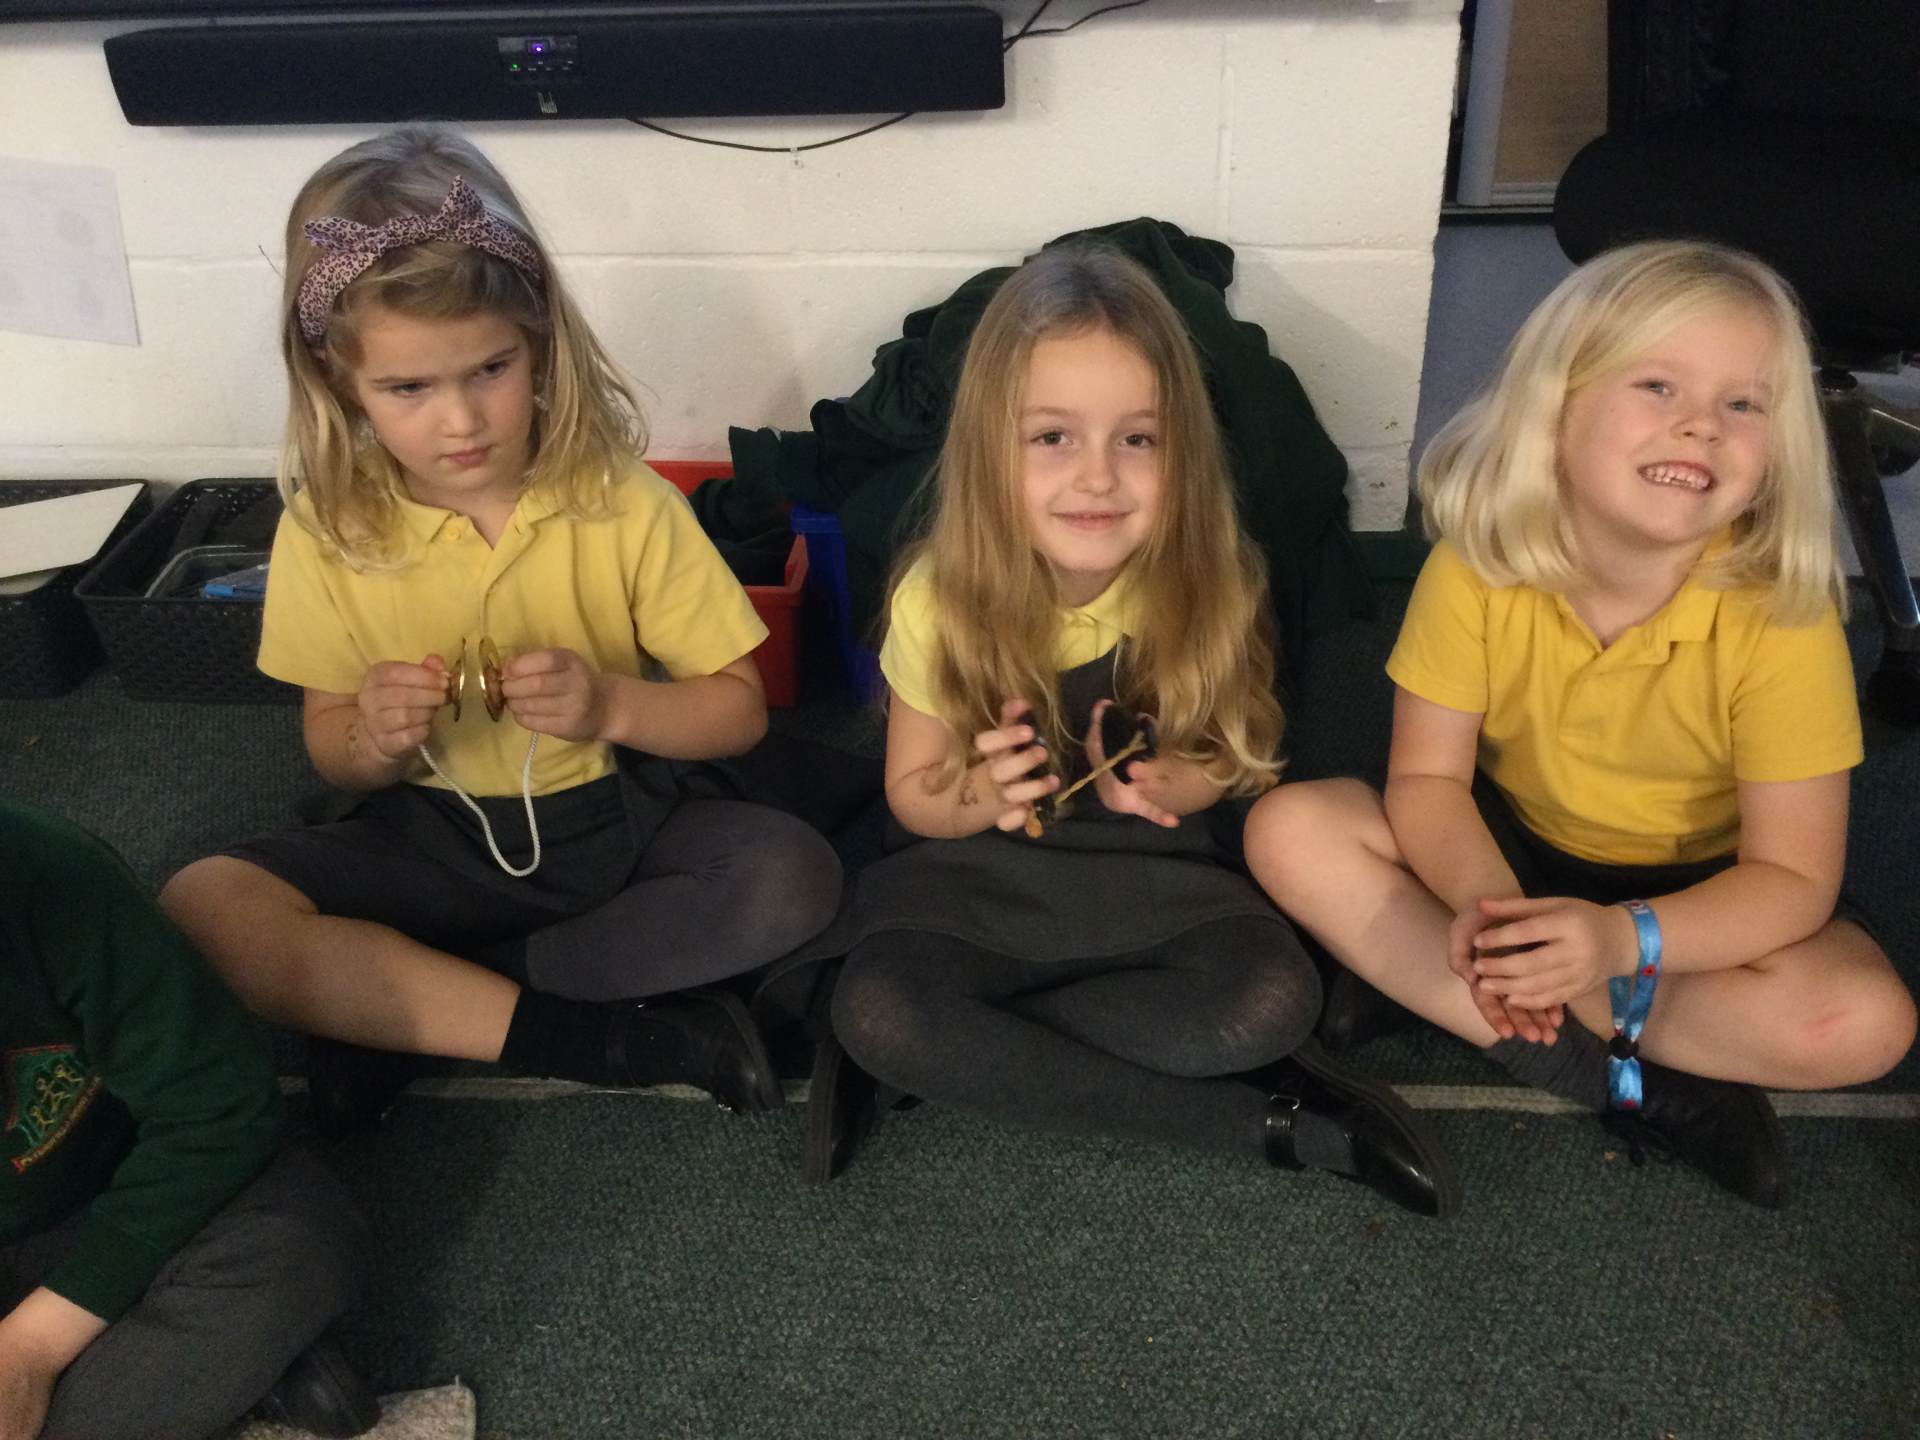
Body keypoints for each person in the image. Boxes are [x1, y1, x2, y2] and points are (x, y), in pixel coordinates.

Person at [160, 128, 841, 1129]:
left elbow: (736, 713)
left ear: (540, 343)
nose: (461, 422)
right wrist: (373, 738)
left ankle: (413, 1005)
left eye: (490, 369)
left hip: (613, 820)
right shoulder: (328, 527)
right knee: (203, 907)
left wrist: (611, 705)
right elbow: (331, 747)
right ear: (339, 380)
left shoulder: (625, 501)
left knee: (793, 881)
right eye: (408, 389)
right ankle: (592, 1037)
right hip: (428, 833)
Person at [1246, 240, 1917, 1209]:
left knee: (1865, 1022)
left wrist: (1614, 940)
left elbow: (1793, 881)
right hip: (1511, 853)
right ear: (1555, 410)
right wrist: (1498, 923)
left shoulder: (1784, 617)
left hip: (1689, 901)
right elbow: (1428, 783)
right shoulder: (1477, 566)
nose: (1702, 426)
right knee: (1288, 829)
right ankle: (1620, 1078)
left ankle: (1435, 988)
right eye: (1658, 385)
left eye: (1744, 404)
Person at [814, 245, 1457, 1217]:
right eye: (1052, 438)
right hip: (974, 885)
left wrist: (1173, 781)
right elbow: (913, 795)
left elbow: (1233, 759)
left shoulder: (1211, 582)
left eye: (1138, 440)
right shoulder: (940, 597)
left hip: (1153, 884)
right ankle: (1270, 1126)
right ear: (989, 453)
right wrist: (980, 790)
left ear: (1181, 453)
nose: (1097, 478)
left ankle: (972, 1054)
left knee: (1272, 998)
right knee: (879, 1008)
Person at [1, 799, 376, 1440]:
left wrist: (30, 1349)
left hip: (131, 1189)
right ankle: (202, 1372)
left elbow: (218, 1107)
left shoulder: (45, 875)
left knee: (300, 1242)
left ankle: (143, 1364)